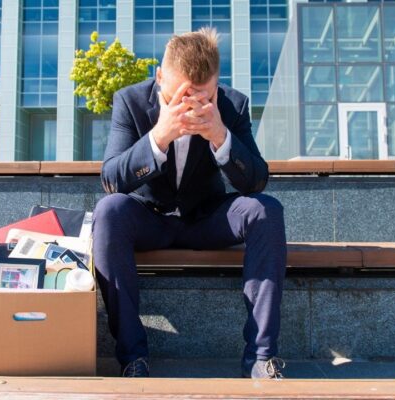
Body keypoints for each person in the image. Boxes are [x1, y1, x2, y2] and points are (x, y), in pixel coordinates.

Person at [91, 27, 287, 379]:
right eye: (181, 94)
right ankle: (132, 358)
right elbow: (111, 179)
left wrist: (220, 136)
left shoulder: (231, 105)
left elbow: (256, 180)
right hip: (149, 219)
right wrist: (159, 136)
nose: (193, 104)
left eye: (204, 95)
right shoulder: (131, 101)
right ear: (160, 77)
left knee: (265, 210)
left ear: (217, 83)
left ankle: (261, 358)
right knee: (109, 212)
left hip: (205, 219)